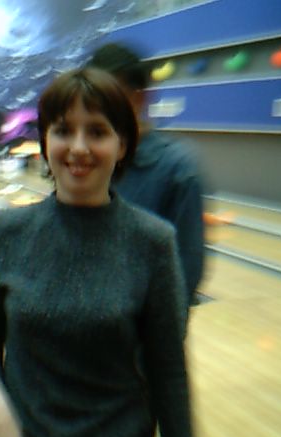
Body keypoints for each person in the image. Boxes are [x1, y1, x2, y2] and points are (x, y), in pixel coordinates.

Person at [0, 67, 197, 437]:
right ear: (45, 141)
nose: (79, 147)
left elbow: (169, 375)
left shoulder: (152, 242)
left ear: (122, 145)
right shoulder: (8, 233)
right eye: (63, 130)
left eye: (97, 132)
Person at [87, 42, 205, 305]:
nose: (98, 107)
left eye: (110, 96)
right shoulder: (85, 157)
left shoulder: (177, 168)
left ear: (139, 97)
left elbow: (186, 272)